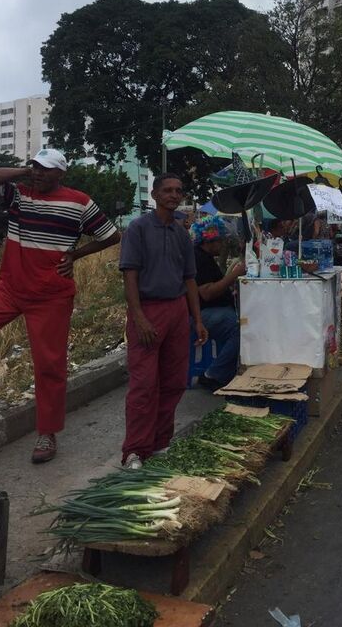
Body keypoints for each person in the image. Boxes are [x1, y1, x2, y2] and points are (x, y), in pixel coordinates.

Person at [0, 149, 120, 463]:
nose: (38, 173)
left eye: (45, 169)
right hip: (10, 287)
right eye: (35, 166)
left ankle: (47, 434)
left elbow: (111, 235)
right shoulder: (19, 194)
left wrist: (74, 255)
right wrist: (24, 171)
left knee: (50, 365)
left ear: (60, 173)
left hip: (51, 295)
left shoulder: (79, 202)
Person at [119, 173, 208, 469]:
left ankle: (160, 443)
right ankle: (135, 450)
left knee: (173, 382)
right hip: (148, 311)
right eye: (167, 190)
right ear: (155, 194)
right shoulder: (138, 229)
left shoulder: (182, 234)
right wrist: (139, 317)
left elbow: (190, 279)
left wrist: (197, 319)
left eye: (178, 190)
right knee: (144, 384)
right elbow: (129, 276)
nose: (173, 194)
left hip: (177, 310)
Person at [193, 216, 244, 390]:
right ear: (210, 240)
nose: (223, 244)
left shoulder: (204, 257)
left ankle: (225, 371)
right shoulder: (199, 259)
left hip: (215, 309)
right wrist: (234, 274)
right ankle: (213, 375)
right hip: (204, 314)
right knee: (242, 329)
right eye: (221, 240)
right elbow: (206, 293)